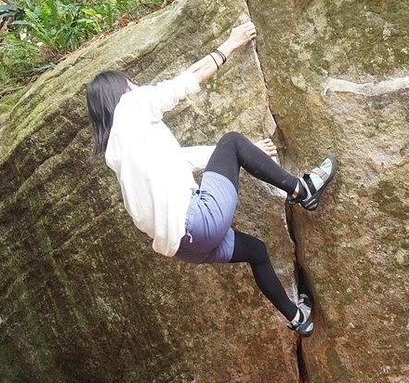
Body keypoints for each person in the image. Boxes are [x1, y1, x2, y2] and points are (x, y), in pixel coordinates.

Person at [85, 21, 337, 337]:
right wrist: (230, 44)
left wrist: (251, 154)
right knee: (231, 140)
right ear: (119, 90)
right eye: (131, 82)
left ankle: (299, 319)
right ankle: (303, 189)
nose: (137, 85)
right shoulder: (131, 106)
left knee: (257, 252)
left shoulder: (120, 151)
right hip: (198, 221)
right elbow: (185, 81)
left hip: (185, 248)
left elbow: (185, 159)